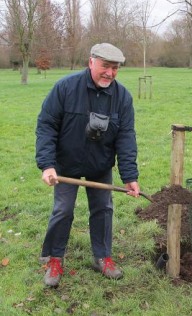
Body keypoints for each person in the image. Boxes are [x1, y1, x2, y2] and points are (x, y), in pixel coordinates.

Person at [36, 43, 140, 287]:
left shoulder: (122, 97)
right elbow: (46, 126)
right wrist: (47, 164)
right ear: (91, 62)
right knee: (63, 210)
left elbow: (126, 137)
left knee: (103, 209)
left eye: (115, 68)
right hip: (65, 164)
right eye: (105, 66)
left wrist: (130, 175)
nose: (110, 73)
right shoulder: (65, 88)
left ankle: (102, 257)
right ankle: (54, 259)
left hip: (100, 165)